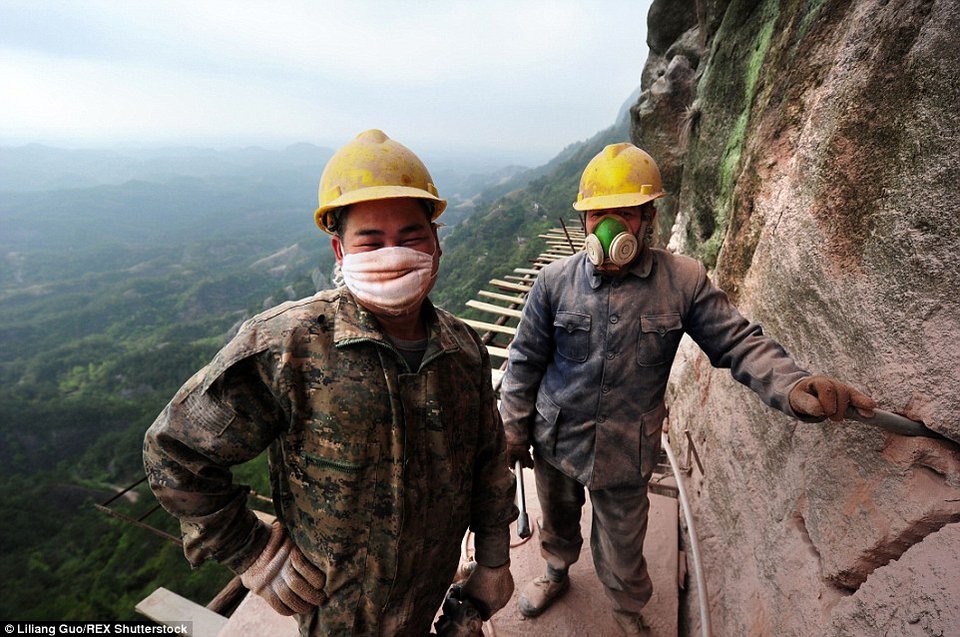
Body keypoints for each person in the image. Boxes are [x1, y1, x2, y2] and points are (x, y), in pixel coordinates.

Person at [144, 129, 517, 636]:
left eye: (411, 236)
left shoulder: (463, 349)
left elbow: (489, 461)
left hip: (429, 588)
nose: (394, 253)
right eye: (371, 240)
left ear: (435, 242)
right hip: (338, 613)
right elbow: (173, 452)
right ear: (340, 250)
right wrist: (252, 552)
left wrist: (495, 559)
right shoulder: (287, 346)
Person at [498, 142, 876, 636]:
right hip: (556, 438)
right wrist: (512, 429)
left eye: (624, 214)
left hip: (625, 450)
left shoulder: (683, 281)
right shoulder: (553, 283)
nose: (608, 227)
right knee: (558, 518)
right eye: (596, 215)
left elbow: (738, 342)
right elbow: (524, 361)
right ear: (584, 220)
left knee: (623, 544)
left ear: (648, 218)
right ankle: (554, 571)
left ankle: (627, 610)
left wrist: (795, 384)